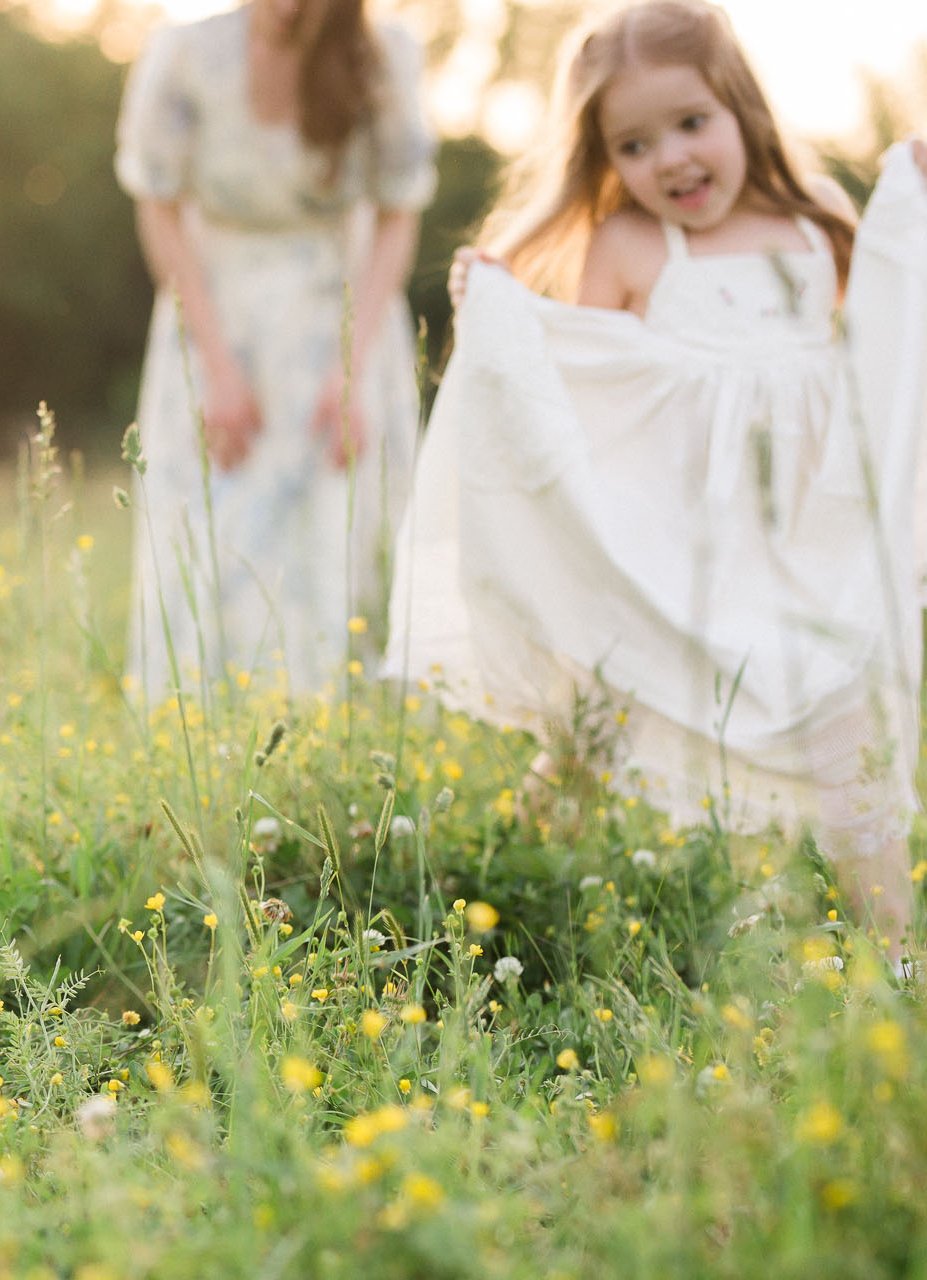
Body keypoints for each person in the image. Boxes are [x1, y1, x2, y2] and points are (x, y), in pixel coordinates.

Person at [387, 0, 927, 966]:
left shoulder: (819, 227)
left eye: (690, 123)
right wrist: (505, 320)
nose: (670, 158)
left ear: (742, 108)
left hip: (807, 544)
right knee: (594, 719)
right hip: (677, 545)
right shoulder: (629, 246)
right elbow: (589, 389)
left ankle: (898, 952)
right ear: (604, 159)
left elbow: (891, 338)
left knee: (845, 732)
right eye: (633, 144)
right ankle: (504, 908)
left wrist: (908, 210)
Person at [117, 0, 437, 699]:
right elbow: (159, 207)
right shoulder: (183, 55)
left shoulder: (382, 60)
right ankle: (197, 719)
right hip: (211, 307)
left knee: (330, 514)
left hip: (339, 306)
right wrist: (218, 370)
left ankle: (332, 712)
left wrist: (350, 369)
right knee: (206, 512)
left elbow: (396, 216)